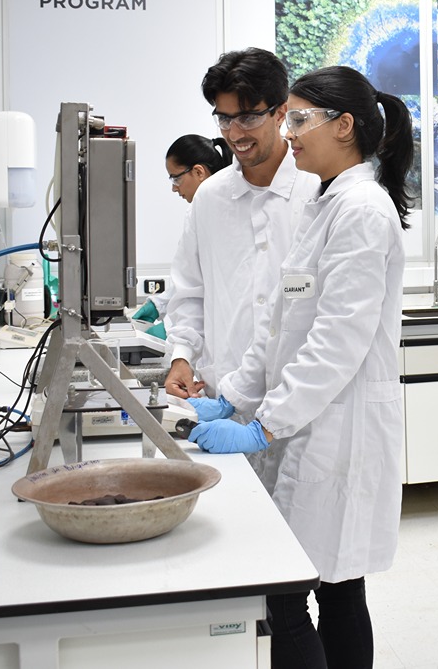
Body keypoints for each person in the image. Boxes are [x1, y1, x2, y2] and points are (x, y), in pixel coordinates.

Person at [186, 65, 414, 669]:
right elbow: (282, 327)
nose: (288, 133)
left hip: (339, 430)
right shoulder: (325, 203)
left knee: (290, 599)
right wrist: (233, 398)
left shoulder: (362, 208)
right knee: (336, 590)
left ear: (345, 126)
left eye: (299, 119)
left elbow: (338, 340)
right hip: (312, 423)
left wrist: (266, 425)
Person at [161, 49, 320, 401]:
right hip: (225, 396)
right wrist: (182, 357)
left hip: (302, 400)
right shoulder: (209, 198)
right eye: (224, 119)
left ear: (281, 113)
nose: (234, 133)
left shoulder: (316, 191)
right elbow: (190, 292)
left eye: (247, 118)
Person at [129, 134, 232, 337]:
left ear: (198, 172)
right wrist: (159, 304)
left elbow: (213, 288)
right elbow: (192, 277)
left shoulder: (227, 213)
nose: (174, 187)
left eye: (176, 178)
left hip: (222, 333)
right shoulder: (201, 211)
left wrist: (170, 329)